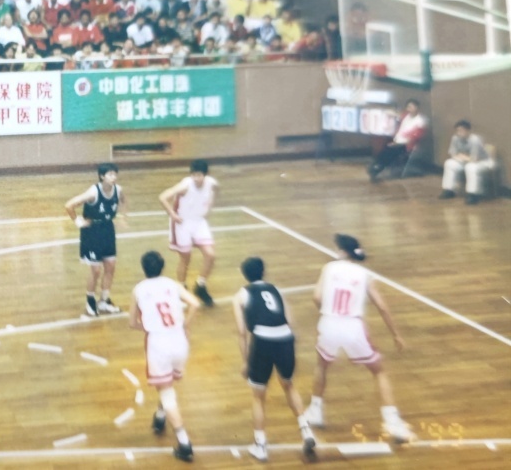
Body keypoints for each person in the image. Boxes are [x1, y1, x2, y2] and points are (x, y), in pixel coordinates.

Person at [304, 234, 412, 443]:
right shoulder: (365, 275)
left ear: (343, 252)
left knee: (322, 365)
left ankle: (315, 410)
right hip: (353, 325)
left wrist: (327, 313)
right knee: (378, 371)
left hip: (329, 322)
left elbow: (316, 297)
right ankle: (392, 421)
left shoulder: (329, 268)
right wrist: (396, 334)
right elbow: (382, 307)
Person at [233, 257, 317, 462]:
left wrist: (246, 361)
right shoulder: (276, 289)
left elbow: (241, 332)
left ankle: (260, 445)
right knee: (289, 385)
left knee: (258, 395)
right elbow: (290, 320)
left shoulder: (241, 295)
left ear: (244, 274)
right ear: (263, 271)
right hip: (285, 338)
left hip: (262, 340)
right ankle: (306, 430)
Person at [129, 250, 200, 463]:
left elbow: (132, 323)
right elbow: (195, 304)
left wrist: (148, 326)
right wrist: (185, 325)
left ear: (143, 268)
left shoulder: (139, 289)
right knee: (167, 383)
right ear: (162, 267)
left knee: (167, 392)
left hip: (159, 344)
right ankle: (160, 417)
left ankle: (184, 443)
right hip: (180, 340)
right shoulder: (172, 284)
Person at [65, 163, 128, 317]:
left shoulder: (118, 190)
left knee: (111, 266)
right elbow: (69, 205)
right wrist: (78, 221)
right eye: (110, 174)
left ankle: (104, 300)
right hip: (92, 232)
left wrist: (122, 217)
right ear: (102, 176)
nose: (113, 177)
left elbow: (123, 201)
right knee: (96, 270)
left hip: (108, 229)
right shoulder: (93, 192)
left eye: (115, 174)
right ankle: (90, 300)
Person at [158, 160, 219, 306]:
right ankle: (181, 289)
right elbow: (163, 197)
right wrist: (172, 214)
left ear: (205, 175)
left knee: (210, 255)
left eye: (199, 175)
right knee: (185, 259)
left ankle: (200, 285)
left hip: (199, 222)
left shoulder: (211, 183)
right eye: (194, 175)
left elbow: (217, 189)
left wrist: (210, 204)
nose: (196, 178)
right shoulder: (185, 185)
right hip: (182, 223)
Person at [367, 99, 427, 182]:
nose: (409, 109)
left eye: (412, 107)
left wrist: (398, 143)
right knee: (384, 146)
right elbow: (396, 114)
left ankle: (377, 168)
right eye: (408, 107)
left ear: (417, 108)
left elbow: (415, 137)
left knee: (390, 151)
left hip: (406, 145)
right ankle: (376, 165)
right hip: (397, 141)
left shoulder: (420, 121)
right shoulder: (406, 116)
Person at [440, 120, 494, 205]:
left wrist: (461, 156)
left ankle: (473, 194)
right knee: (449, 163)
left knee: (470, 167)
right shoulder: (455, 138)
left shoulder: (475, 140)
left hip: (482, 162)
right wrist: (463, 157)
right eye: (458, 130)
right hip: (465, 161)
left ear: (468, 130)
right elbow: (453, 154)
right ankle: (449, 190)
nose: (459, 133)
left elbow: (474, 159)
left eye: (462, 130)